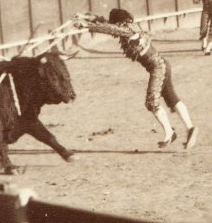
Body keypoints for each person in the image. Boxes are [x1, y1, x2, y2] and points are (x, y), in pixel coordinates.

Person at [75, 9, 198, 149]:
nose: (115, 26)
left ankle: (170, 132)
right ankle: (190, 128)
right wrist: (84, 17)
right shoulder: (128, 28)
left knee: (152, 102)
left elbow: (108, 28)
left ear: (120, 23)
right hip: (162, 65)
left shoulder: (126, 31)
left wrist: (86, 26)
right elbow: (105, 22)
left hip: (158, 68)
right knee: (171, 98)